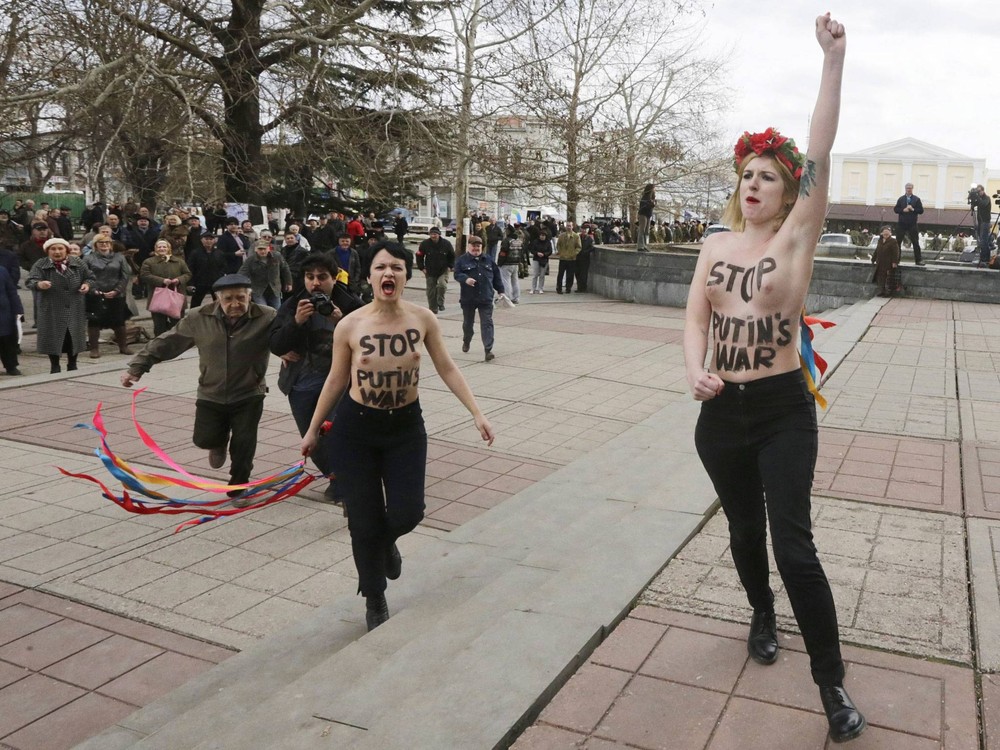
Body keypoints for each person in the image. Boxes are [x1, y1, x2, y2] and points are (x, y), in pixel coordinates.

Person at [682, 14, 865, 745]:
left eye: (769, 177)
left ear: (790, 193)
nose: (754, 184)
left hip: (785, 409)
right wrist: (693, 369)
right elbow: (696, 319)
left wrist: (832, 64)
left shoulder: (798, 234)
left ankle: (830, 681)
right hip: (721, 412)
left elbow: (819, 146)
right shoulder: (715, 245)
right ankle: (760, 613)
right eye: (747, 175)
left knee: (795, 543)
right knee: (741, 529)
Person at [300, 241, 495, 631]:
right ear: (369, 276)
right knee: (362, 520)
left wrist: (477, 413)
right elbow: (337, 379)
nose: (389, 273)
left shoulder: (422, 319)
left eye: (397, 267)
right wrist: (312, 430)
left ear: (407, 275)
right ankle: (374, 597)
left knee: (409, 511)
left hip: (406, 428)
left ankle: (386, 541)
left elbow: (447, 368)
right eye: (381, 267)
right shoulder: (350, 325)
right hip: (356, 430)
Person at [121, 274, 277, 504]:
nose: (235, 304)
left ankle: (238, 488)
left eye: (241, 298)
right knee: (204, 439)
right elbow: (168, 341)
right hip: (210, 391)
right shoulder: (198, 317)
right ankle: (217, 442)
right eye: (229, 299)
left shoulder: (267, 316)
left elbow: (285, 337)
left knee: (244, 443)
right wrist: (138, 367)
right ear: (217, 299)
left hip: (249, 392)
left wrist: (289, 352)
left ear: (250, 296)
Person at [268, 253, 346, 506]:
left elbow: (369, 340)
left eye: (322, 277)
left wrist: (342, 321)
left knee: (335, 433)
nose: (315, 283)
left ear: (334, 279)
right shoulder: (293, 305)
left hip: (340, 383)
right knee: (310, 439)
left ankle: (345, 481)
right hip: (301, 383)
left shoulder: (349, 301)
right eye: (310, 277)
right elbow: (276, 343)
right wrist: (296, 322)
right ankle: (335, 476)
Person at [26, 237, 94, 373]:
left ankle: (72, 364)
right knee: (53, 337)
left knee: (73, 336)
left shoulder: (78, 263)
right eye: (53, 249)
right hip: (51, 308)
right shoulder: (41, 264)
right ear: (48, 251)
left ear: (66, 250)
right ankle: (55, 366)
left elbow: (90, 277)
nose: (57, 252)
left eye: (60, 248)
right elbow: (30, 280)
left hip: (74, 306)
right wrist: (39, 284)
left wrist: (87, 285)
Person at [454, 235, 505, 361]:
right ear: (469, 246)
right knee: (468, 324)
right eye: (473, 246)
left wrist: (501, 291)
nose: (476, 248)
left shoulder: (488, 260)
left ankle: (488, 350)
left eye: (478, 246)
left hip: (485, 297)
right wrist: (465, 279)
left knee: (487, 323)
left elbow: (496, 276)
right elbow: (457, 274)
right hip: (468, 298)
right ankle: (467, 340)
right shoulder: (462, 260)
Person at [83, 235, 134, 358]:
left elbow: (125, 275)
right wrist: (94, 290)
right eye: (101, 242)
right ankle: (94, 348)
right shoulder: (88, 258)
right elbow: (85, 276)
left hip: (116, 295)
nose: (104, 245)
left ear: (111, 244)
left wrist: (117, 290)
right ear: (96, 245)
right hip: (96, 294)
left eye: (107, 242)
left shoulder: (120, 257)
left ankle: (123, 346)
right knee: (94, 321)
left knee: (119, 321)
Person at [140, 239, 192, 336]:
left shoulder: (179, 261)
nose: (162, 249)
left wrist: (179, 280)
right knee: (159, 325)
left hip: (176, 296)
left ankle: (176, 344)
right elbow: (144, 275)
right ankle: (159, 345)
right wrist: (161, 281)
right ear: (156, 249)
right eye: (159, 247)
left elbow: (187, 274)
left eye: (164, 247)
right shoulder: (149, 262)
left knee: (177, 324)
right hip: (158, 297)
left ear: (169, 248)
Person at [239, 240, 292, 309]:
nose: (263, 251)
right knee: (264, 310)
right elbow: (242, 273)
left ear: (268, 248)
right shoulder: (250, 260)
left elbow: (285, 269)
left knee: (277, 310)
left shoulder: (277, 256)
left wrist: (289, 283)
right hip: (258, 290)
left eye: (264, 249)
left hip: (274, 289)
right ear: (256, 249)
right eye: (260, 249)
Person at [415, 226, 454, 312]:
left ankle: (440, 302)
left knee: (442, 285)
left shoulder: (446, 244)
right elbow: (419, 256)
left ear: (439, 235)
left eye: (435, 234)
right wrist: (422, 268)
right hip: (430, 270)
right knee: (431, 291)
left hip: (443, 270)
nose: (433, 236)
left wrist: (450, 267)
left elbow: (452, 256)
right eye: (431, 234)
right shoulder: (424, 244)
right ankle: (433, 308)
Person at [893, 183, 924, 266]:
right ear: (905, 189)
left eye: (910, 188)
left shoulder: (916, 199)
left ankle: (918, 260)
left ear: (912, 189)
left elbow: (921, 211)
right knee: (897, 242)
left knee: (915, 242)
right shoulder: (901, 199)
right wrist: (903, 210)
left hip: (912, 224)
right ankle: (896, 260)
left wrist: (913, 209)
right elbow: (895, 209)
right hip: (901, 223)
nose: (908, 189)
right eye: (907, 188)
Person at [0, 265, 23, 375]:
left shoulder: (2, 270)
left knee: (7, 341)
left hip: (4, 313)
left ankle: (11, 366)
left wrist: (18, 309)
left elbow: (12, 291)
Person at [871, 225, 900, 297]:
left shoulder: (893, 241)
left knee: (888, 278)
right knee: (880, 278)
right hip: (880, 262)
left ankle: (888, 292)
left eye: (887, 234)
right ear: (882, 234)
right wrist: (873, 259)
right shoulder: (880, 240)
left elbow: (896, 252)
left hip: (888, 263)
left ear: (890, 234)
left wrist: (895, 262)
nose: (885, 235)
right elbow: (877, 250)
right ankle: (882, 291)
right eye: (884, 234)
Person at [496, 226, 523, 304]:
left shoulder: (506, 241)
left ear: (508, 232)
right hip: (515, 263)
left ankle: (507, 297)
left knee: (505, 281)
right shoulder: (518, 241)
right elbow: (521, 252)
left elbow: (503, 253)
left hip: (506, 263)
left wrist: (499, 263)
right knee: (515, 280)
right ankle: (516, 297)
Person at [555, 221, 581, 294]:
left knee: (570, 274)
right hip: (563, 258)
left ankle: (568, 288)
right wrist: (560, 252)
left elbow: (579, 247)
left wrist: (574, 254)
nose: (569, 227)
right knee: (560, 274)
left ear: (572, 227)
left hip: (571, 259)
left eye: (570, 226)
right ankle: (559, 288)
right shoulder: (562, 235)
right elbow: (558, 245)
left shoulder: (576, 236)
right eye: (568, 226)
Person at [972, 184, 994, 268]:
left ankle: (985, 259)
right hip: (980, 222)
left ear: (983, 191)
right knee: (981, 240)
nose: (978, 193)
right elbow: (975, 204)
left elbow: (982, 204)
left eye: (979, 191)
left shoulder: (987, 198)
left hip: (985, 222)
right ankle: (983, 258)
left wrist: (976, 197)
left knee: (984, 241)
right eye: (977, 191)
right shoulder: (980, 199)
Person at [527, 228, 552, 294]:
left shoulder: (548, 242)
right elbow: (532, 250)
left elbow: (550, 251)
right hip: (536, 259)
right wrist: (537, 253)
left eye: (543, 235)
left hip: (544, 260)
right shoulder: (535, 241)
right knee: (535, 274)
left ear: (545, 236)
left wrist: (544, 254)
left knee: (542, 275)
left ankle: (540, 288)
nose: (542, 236)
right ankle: (533, 288)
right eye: (541, 235)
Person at [636, 184, 655, 252]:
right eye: (653, 188)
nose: (654, 190)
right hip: (643, 214)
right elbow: (643, 207)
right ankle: (640, 245)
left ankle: (645, 245)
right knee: (642, 230)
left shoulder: (651, 198)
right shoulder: (645, 197)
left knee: (647, 231)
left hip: (648, 215)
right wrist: (650, 205)